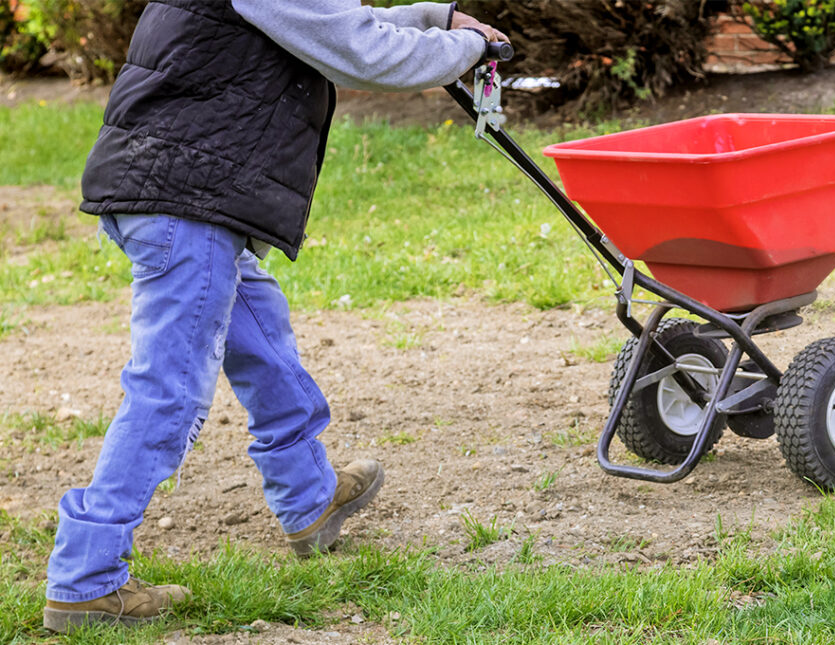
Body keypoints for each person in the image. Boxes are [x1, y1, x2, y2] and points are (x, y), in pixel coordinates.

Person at [42, 0, 509, 633]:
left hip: (177, 189)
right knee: (170, 389)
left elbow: (328, 21)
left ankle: (309, 497)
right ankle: (86, 579)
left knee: (260, 337)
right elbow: (358, 48)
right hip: (187, 201)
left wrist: (431, 19)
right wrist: (468, 50)